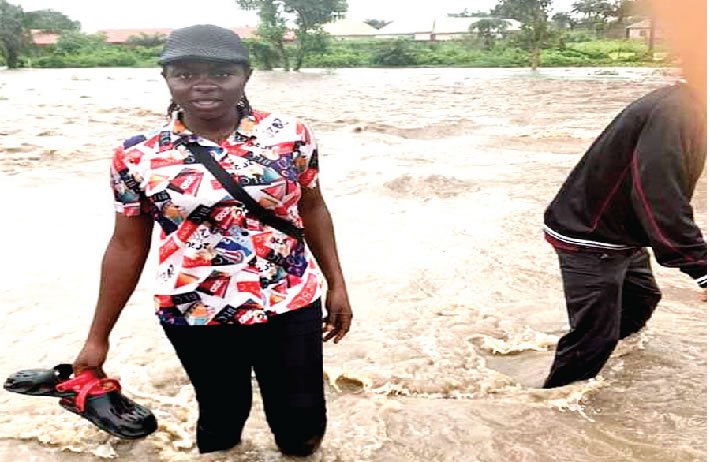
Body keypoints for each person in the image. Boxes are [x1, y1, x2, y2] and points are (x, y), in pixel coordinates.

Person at [72, 24, 353, 456]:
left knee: (302, 420)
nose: (203, 83)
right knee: (222, 414)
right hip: (195, 310)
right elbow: (127, 246)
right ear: (166, 77)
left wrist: (338, 284)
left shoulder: (290, 135)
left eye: (221, 72)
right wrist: (97, 337)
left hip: (289, 301)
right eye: (185, 73)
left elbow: (312, 208)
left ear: (246, 75)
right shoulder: (136, 154)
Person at [542, 82, 707, 389]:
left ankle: (613, 363)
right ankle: (551, 408)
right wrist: (702, 268)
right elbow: (659, 197)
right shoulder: (678, 111)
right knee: (594, 338)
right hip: (590, 235)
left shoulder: (688, 103)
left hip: (620, 230)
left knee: (643, 298)